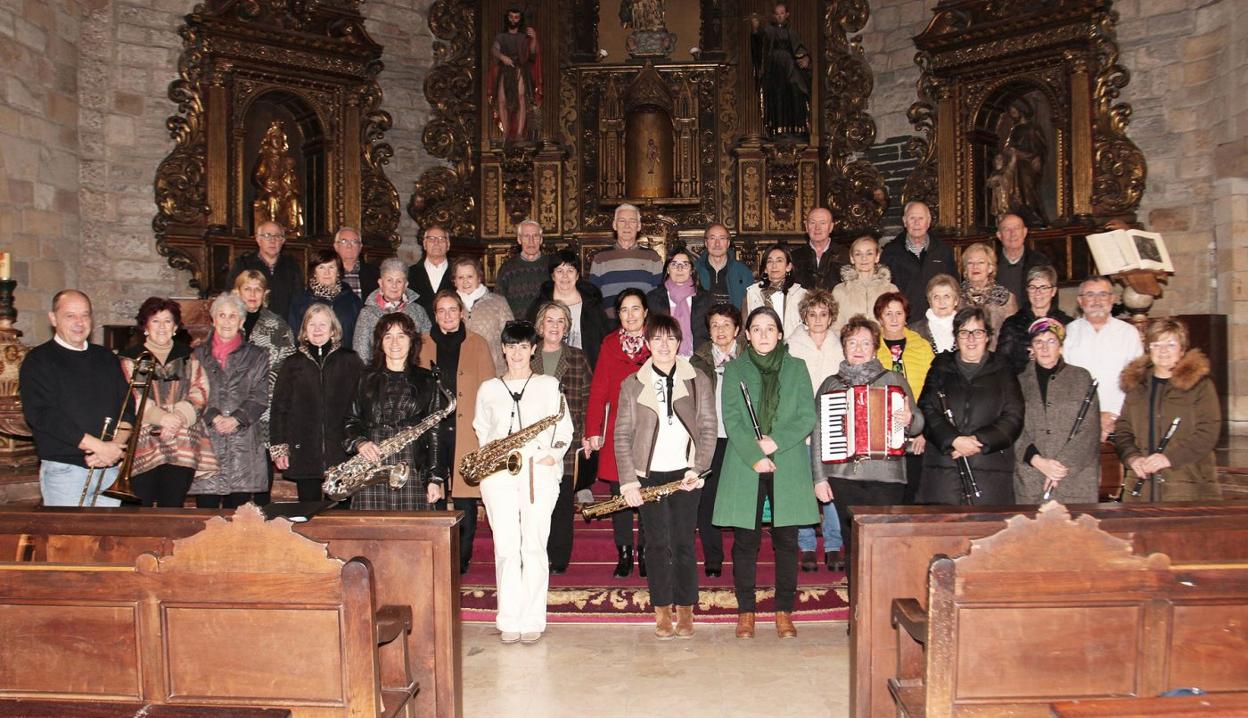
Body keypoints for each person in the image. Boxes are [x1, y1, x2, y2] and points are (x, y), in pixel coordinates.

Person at [714, 307, 818, 640]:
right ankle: (746, 612)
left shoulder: (797, 367)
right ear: (745, 334)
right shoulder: (735, 370)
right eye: (756, 329)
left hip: (787, 460)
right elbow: (732, 418)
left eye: (769, 329)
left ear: (779, 334)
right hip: (746, 463)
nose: (762, 335)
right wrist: (755, 454)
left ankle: (783, 611)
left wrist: (775, 442)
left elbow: (806, 416)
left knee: (786, 541)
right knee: (746, 543)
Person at [614, 314, 717, 639]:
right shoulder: (631, 384)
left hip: (686, 473)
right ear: (647, 344)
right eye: (656, 339)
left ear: (679, 342)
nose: (663, 345)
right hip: (648, 475)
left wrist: (698, 468)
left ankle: (685, 610)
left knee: (684, 542)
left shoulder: (697, 378)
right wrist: (629, 480)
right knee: (657, 545)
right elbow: (622, 435)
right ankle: (661, 610)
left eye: (670, 339)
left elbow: (708, 427)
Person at [473, 321, 573, 644]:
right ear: (502, 348)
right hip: (498, 473)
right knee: (505, 547)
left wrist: (551, 456)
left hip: (537, 471)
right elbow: (481, 430)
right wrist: (489, 464)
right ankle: (509, 618)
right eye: (510, 346)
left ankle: (532, 618)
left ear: (533, 349)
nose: (516, 352)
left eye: (523, 346)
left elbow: (565, 428)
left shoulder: (548, 385)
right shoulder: (488, 388)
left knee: (533, 545)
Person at [812, 315, 922, 576]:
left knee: (885, 543)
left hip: (887, 477)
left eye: (865, 343)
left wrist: (909, 420)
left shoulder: (893, 380)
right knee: (853, 544)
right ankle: (858, 606)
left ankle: (883, 602)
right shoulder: (831, 384)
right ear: (844, 347)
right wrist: (819, 478)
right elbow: (817, 433)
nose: (858, 349)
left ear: (875, 347)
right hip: (843, 476)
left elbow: (918, 424)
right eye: (852, 343)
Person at [19, 290, 131, 507]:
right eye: (70, 315)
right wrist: (98, 446)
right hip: (64, 472)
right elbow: (42, 415)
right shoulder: (38, 360)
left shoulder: (106, 357)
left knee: (107, 541)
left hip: (108, 468)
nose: (79, 322)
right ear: (53, 318)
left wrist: (114, 447)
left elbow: (128, 406)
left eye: (85, 315)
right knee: (67, 541)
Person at [418, 291, 496, 574]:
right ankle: (439, 550)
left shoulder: (478, 344)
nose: (448, 315)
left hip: (467, 430)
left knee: (465, 496)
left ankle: (463, 555)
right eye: (442, 310)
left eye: (453, 310)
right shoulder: (422, 344)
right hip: (433, 430)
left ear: (462, 313)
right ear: (435, 314)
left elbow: (490, 393)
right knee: (434, 491)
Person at [917, 307, 1024, 505]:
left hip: (990, 474)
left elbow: (1013, 417)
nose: (971, 339)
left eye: (978, 332)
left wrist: (978, 441)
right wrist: (954, 440)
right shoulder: (940, 367)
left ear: (988, 337)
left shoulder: (1004, 370)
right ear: (956, 338)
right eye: (964, 332)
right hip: (943, 475)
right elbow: (926, 408)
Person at [117, 297, 216, 507]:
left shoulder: (189, 357)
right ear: (145, 327)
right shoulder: (129, 359)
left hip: (182, 440)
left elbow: (200, 390)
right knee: (137, 509)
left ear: (175, 327)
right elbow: (130, 396)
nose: (162, 327)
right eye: (155, 321)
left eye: (168, 321)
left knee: (172, 506)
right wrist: (163, 418)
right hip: (144, 441)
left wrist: (178, 418)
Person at [343, 313, 446, 510]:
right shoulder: (365, 377)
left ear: (412, 341)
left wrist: (435, 478)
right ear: (380, 342)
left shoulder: (428, 380)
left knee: (412, 534)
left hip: (411, 461)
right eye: (388, 336)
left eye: (402, 335)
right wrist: (360, 443)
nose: (394, 342)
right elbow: (351, 420)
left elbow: (435, 433)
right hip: (371, 462)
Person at [1114, 318, 1221, 502]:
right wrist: (1132, 457)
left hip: (1187, 483)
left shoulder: (1200, 385)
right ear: (1148, 349)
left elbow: (1208, 431)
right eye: (1156, 344)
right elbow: (1123, 429)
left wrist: (1169, 458)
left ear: (1182, 348)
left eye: (1170, 344)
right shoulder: (1137, 385)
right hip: (1141, 487)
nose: (1163, 350)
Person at [584, 288, 651, 577]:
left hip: (651, 428)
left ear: (646, 312)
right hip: (617, 428)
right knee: (620, 494)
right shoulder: (609, 343)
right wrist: (593, 429)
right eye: (624, 309)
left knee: (648, 492)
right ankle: (624, 551)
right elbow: (598, 389)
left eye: (636, 309)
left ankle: (646, 550)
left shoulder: (658, 341)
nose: (630, 315)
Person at [270, 304, 364, 502]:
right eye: (312, 324)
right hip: (304, 450)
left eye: (323, 324)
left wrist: (360, 441)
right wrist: (280, 447)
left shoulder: (350, 361)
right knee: (308, 512)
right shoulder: (292, 364)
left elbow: (362, 404)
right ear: (304, 330)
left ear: (333, 330)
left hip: (342, 452)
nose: (317, 329)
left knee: (340, 516)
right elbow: (279, 409)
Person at [189, 292, 272, 509]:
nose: (227, 321)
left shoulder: (258, 355)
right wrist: (213, 416)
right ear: (213, 319)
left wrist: (236, 418)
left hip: (243, 443)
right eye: (222, 315)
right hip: (207, 442)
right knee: (205, 517)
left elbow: (260, 395)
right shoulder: (196, 355)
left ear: (242, 321)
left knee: (238, 519)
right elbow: (190, 392)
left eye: (232, 316)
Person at [530, 301, 593, 573]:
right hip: (532, 443)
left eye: (560, 322)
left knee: (562, 502)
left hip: (568, 442)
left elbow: (590, 398)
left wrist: (589, 435)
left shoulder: (577, 357)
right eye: (549, 321)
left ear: (566, 327)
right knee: (535, 503)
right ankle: (536, 554)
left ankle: (558, 558)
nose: (554, 326)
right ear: (540, 326)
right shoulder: (528, 357)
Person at [786, 289, 845, 572]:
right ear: (804, 317)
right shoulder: (791, 346)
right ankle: (807, 544)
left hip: (834, 427)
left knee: (831, 488)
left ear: (831, 316)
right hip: (802, 427)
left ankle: (833, 545)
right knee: (804, 488)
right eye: (812, 314)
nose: (818, 319)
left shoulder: (841, 346)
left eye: (823, 314)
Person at [1013, 318, 1100, 504]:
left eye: (1051, 341)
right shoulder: (1016, 382)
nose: (1044, 348)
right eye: (1038, 342)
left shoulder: (1081, 378)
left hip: (1074, 480)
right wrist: (1038, 461)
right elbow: (1013, 427)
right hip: (1032, 478)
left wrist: (1059, 467)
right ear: (1031, 349)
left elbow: (1090, 431)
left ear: (1060, 347)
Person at [689, 303, 745, 578]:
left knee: (742, 499)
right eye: (715, 325)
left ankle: (743, 555)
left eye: (726, 325)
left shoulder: (750, 358)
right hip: (710, 440)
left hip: (741, 439)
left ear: (737, 329)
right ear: (708, 331)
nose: (721, 330)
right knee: (707, 499)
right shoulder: (697, 361)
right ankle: (713, 556)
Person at [233, 270, 296, 501]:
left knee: (261, 474)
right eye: (247, 289)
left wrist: (259, 396)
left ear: (265, 293)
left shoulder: (278, 326)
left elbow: (286, 369)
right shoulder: (227, 323)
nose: (252, 294)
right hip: (232, 412)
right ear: (237, 292)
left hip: (264, 411)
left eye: (257, 289)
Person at [1064, 276, 1144, 441]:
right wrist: (1092, 416)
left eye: (1103, 294)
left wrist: (1112, 416)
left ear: (1113, 299)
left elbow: (1137, 381)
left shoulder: (1128, 333)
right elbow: (1065, 382)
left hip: (1119, 421)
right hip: (1077, 422)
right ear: (1080, 301)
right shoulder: (1068, 333)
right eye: (1090, 295)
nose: (1097, 300)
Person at [874, 292, 935, 504]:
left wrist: (923, 430)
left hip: (915, 434)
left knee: (913, 497)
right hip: (882, 436)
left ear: (906, 316)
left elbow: (932, 393)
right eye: (887, 313)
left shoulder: (922, 346)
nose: (893, 318)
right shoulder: (871, 348)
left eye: (898, 313)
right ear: (879, 318)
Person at [524, 249, 610, 368]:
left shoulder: (592, 304)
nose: (565, 276)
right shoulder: (540, 306)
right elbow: (528, 341)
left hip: (585, 369)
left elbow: (605, 341)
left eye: (570, 270)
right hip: (547, 368)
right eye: (559, 271)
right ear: (553, 276)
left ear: (577, 275)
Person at [880, 201, 956, 317]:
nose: (916, 223)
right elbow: (884, 291)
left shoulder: (943, 251)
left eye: (921, 218)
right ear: (905, 221)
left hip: (938, 319)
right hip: (905, 321)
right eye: (912, 218)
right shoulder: (890, 252)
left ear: (928, 222)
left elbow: (954, 286)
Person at [587, 204, 663, 318]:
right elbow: (593, 298)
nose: (627, 226)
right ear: (614, 225)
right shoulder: (600, 258)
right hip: (610, 325)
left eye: (632, 221)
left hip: (644, 325)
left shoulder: (652, 257)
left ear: (638, 226)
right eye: (622, 221)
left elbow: (659, 297)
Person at [353, 258, 432, 363]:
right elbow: (360, 354)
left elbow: (428, 346)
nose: (394, 285)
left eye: (399, 281)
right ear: (381, 283)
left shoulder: (418, 311)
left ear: (406, 285)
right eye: (389, 280)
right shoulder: (367, 313)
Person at [997, 265, 1072, 374]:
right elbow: (1002, 363)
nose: (1038, 293)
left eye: (1043, 287)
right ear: (1027, 291)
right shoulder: (1012, 324)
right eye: (1032, 287)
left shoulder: (1067, 324)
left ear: (1053, 291)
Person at [750, 2, 811, 139]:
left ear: (787, 15)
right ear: (773, 15)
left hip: (790, 65)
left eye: (782, 13)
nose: (779, 16)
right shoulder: (768, 30)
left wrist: (805, 58)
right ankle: (778, 129)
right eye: (777, 14)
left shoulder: (792, 32)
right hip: (775, 68)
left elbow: (799, 49)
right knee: (777, 94)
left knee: (797, 90)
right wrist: (755, 29)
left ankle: (798, 128)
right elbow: (758, 41)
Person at [227, 221, 303, 320]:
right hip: (251, 325)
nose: (272, 240)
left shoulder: (292, 266)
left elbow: (298, 300)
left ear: (283, 241)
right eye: (267, 235)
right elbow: (231, 296)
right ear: (258, 240)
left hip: (285, 327)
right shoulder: (243, 264)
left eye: (277, 236)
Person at [646, 247, 711, 358]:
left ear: (692, 270)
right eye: (674, 264)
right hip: (663, 356)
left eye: (685, 264)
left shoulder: (706, 299)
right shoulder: (653, 298)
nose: (679, 269)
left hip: (698, 359)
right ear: (667, 269)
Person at [454, 256, 515, 375]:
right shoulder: (449, 304)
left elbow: (511, 337)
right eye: (460, 277)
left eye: (470, 277)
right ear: (454, 281)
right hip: (461, 373)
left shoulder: (498, 302)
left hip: (494, 371)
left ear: (479, 278)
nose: (465, 281)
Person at [488, 8, 542, 143]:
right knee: (502, 99)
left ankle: (518, 133)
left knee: (521, 98)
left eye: (516, 17)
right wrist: (502, 57)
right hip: (505, 70)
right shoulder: (501, 36)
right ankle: (506, 133)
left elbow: (532, 52)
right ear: (507, 18)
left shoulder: (524, 37)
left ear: (520, 19)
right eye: (511, 17)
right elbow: (494, 49)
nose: (513, 20)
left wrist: (534, 38)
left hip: (519, 69)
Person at [289, 249, 362, 346]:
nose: (326, 272)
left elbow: (360, 336)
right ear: (314, 272)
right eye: (321, 267)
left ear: (338, 272)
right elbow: (295, 336)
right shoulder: (301, 301)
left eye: (331, 267)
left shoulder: (353, 300)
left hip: (345, 358)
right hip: (311, 358)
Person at [957, 241, 1018, 349]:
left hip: (996, 360)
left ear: (990, 268)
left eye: (981, 262)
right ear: (965, 270)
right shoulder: (955, 297)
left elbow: (1013, 338)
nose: (975, 267)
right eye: (970, 263)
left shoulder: (1006, 299)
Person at [831, 235, 898, 332]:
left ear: (877, 257)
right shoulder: (840, 290)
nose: (864, 258)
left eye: (869, 253)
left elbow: (896, 325)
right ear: (852, 258)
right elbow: (835, 327)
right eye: (858, 254)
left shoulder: (891, 290)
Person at [743, 244, 807, 339]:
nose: (774, 265)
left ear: (788, 267)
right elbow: (746, 326)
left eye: (779, 261)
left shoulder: (801, 294)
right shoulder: (752, 293)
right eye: (770, 261)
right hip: (761, 346)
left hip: (793, 348)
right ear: (765, 268)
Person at [994, 214, 1050, 309]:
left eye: (1017, 228)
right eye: (1007, 229)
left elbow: (1050, 296)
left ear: (1025, 232)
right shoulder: (991, 262)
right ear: (999, 235)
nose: (1013, 234)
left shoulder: (1040, 261)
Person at [693, 223, 754, 309]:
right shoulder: (694, 269)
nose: (717, 244)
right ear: (706, 243)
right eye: (712, 238)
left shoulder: (743, 271)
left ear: (728, 243)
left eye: (722, 238)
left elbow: (751, 304)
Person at [496, 219, 548, 316]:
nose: (531, 241)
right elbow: (498, 302)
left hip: (546, 327)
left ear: (541, 239)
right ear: (519, 239)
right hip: (516, 327)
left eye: (535, 236)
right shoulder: (507, 268)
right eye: (526, 236)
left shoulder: (552, 266)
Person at [408, 225, 455, 320]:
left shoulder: (459, 272)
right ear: (424, 244)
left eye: (441, 239)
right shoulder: (410, 273)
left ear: (448, 244)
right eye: (431, 239)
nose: (436, 242)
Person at [790, 207, 843, 292]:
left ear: (831, 227)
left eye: (822, 223)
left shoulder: (845, 256)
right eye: (812, 223)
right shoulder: (793, 257)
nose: (817, 228)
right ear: (806, 226)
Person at [909, 273, 959, 354]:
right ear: (929, 301)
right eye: (936, 297)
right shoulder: (913, 331)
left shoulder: (965, 328)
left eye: (946, 296)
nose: (941, 302)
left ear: (956, 301)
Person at [333, 226, 380, 301]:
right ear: (336, 246)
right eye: (344, 241)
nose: (349, 246)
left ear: (360, 247)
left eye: (354, 242)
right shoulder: (327, 273)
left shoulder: (375, 273)